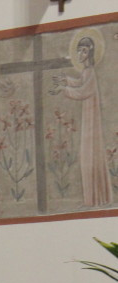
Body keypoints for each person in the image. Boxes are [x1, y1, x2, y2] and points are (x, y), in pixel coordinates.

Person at [51, 35, 112, 208]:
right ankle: (93, 199)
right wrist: (66, 81)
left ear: (90, 53)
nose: (80, 54)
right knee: (88, 155)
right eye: (79, 50)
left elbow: (83, 91)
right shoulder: (86, 72)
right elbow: (80, 82)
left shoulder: (90, 71)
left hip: (92, 120)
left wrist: (64, 88)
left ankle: (93, 200)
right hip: (89, 116)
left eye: (84, 51)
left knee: (89, 155)